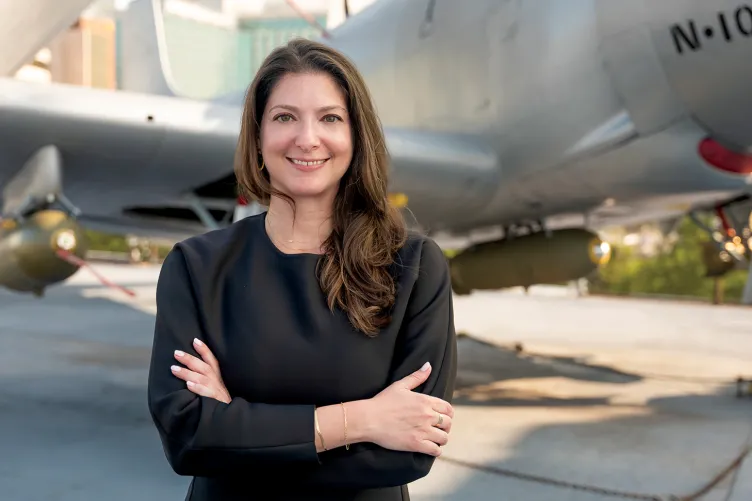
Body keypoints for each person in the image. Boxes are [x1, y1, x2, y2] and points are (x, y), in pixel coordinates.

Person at [147, 38, 457, 501]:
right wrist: (363, 420)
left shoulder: (413, 267)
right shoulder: (196, 267)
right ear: (257, 137)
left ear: (357, 136)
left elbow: (409, 452)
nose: (307, 138)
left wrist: (237, 426)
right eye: (284, 117)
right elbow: (188, 437)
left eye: (330, 118)